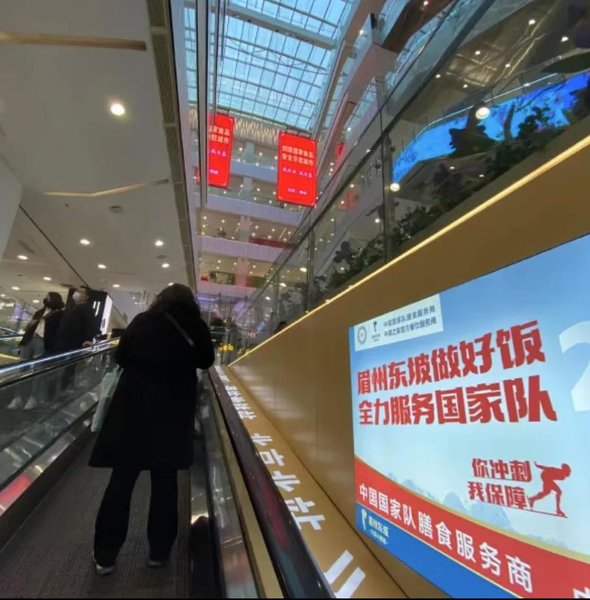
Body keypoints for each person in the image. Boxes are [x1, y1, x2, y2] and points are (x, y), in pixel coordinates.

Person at [89, 283, 215, 575]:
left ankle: (105, 555)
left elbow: (120, 357)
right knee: (165, 483)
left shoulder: (144, 321)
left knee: (121, 482)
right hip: (172, 411)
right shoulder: (195, 326)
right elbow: (206, 360)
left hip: (133, 409)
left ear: (161, 299)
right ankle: (159, 552)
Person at [7, 292, 65, 410]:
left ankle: (33, 398)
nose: (46, 299)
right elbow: (29, 326)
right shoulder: (40, 312)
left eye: (48, 297)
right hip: (29, 339)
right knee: (22, 369)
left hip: (42, 341)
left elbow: (58, 331)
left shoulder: (59, 314)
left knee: (37, 371)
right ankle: (18, 397)